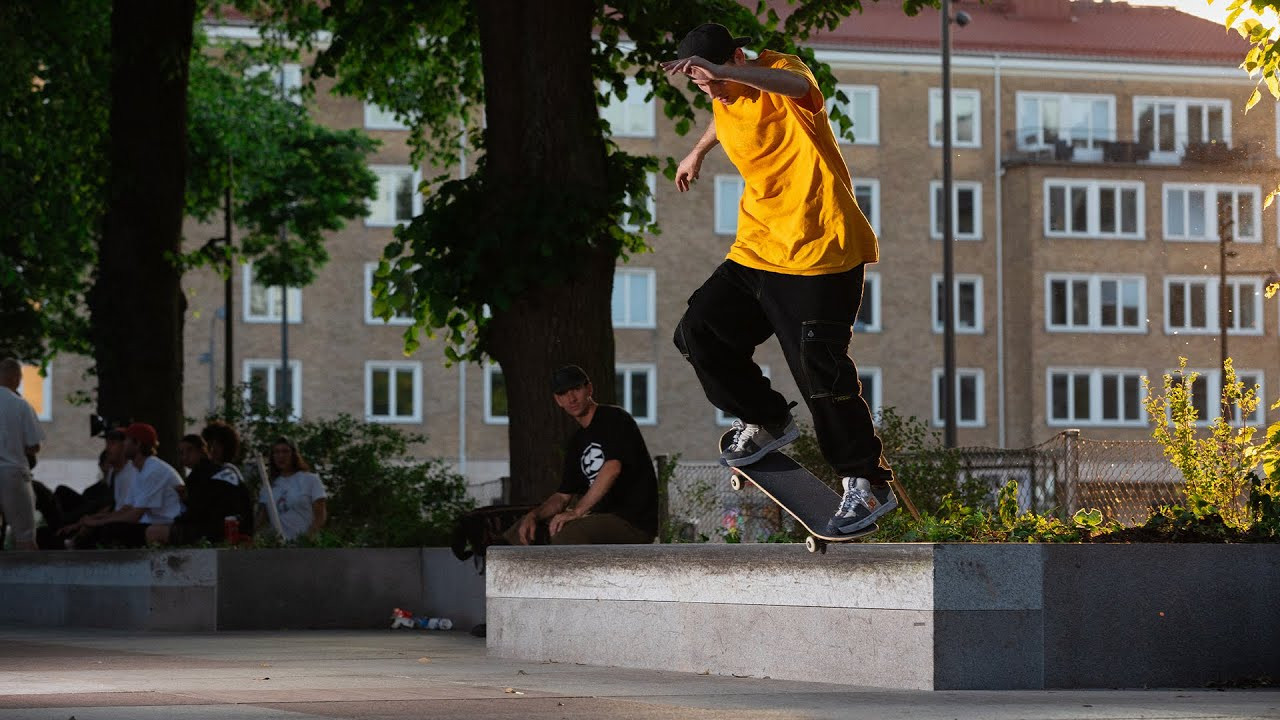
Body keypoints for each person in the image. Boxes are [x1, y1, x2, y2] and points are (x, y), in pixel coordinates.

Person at [661, 23, 897, 536]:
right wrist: (698, 151)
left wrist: (721, 72)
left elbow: (792, 90)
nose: (715, 92)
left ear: (739, 58)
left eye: (719, 80)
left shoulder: (784, 73)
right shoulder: (724, 94)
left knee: (819, 367)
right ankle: (766, 417)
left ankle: (867, 482)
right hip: (759, 249)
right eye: (704, 88)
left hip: (821, 251)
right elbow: (724, 118)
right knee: (698, 331)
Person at [507, 365, 658, 545]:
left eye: (576, 389)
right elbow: (562, 496)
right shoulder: (576, 442)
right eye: (563, 393)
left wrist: (577, 512)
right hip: (599, 520)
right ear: (558, 400)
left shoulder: (614, 418)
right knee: (519, 531)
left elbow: (612, 468)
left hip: (632, 522)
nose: (571, 398)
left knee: (566, 534)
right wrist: (534, 515)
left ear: (589, 389)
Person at [61, 422, 184, 548]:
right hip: (153, 523)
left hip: (168, 525)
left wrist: (98, 522)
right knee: (109, 529)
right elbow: (126, 508)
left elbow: (135, 515)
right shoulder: (139, 469)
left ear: (138, 444)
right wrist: (96, 520)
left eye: (126, 440)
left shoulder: (153, 471)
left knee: (112, 530)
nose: (123, 444)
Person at [152, 431, 252, 546]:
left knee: (154, 532)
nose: (185, 456)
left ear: (202, 451)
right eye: (181, 452)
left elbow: (197, 512)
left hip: (217, 531)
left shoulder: (199, 475)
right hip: (241, 528)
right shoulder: (223, 472)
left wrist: (178, 520)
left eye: (190, 450)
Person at [0, 358, 43, 550]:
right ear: (16, 377)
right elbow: (33, 446)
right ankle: (31, 578)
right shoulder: (21, 405)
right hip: (13, 473)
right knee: (25, 536)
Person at [256, 437, 326, 542]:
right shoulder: (269, 486)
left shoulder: (310, 479)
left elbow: (320, 515)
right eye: (277, 452)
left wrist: (308, 537)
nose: (281, 456)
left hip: (305, 545)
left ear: (294, 454)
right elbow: (262, 518)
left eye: (285, 451)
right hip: (278, 546)